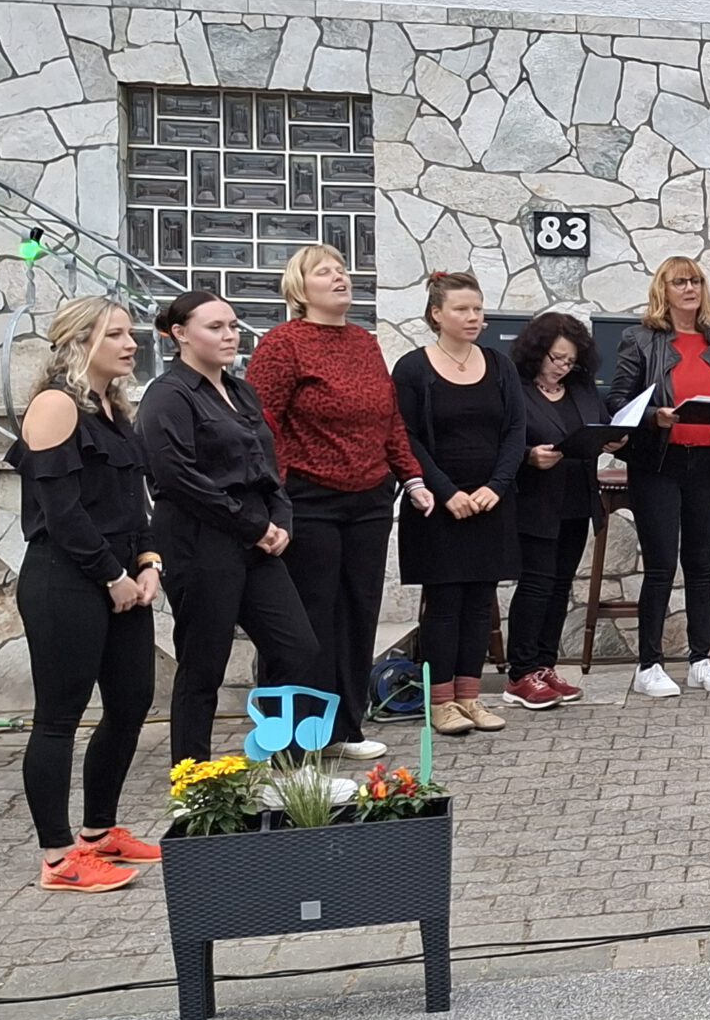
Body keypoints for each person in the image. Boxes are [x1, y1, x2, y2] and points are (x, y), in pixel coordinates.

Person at [246, 245, 434, 760]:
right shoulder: (283, 344)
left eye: (342, 270)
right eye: (324, 272)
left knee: (357, 612)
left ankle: (344, 728)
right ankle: (293, 736)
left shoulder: (364, 343)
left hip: (369, 498)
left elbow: (389, 419)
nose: (339, 278)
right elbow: (261, 424)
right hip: (308, 498)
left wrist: (412, 477)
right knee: (308, 619)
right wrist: (274, 492)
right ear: (299, 288)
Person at [137, 290, 327, 766]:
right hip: (200, 540)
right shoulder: (168, 394)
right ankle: (193, 778)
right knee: (204, 664)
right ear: (180, 334)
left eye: (234, 325)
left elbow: (267, 464)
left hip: (256, 539)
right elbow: (176, 477)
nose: (230, 335)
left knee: (297, 648)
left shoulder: (241, 391)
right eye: (215, 327)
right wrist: (252, 525)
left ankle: (288, 760)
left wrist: (280, 519)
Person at [12, 298, 162, 893]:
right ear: (80, 342)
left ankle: (99, 831)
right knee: (59, 717)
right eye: (116, 335)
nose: (131, 344)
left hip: (121, 575)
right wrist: (111, 575)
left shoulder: (114, 408)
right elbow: (62, 512)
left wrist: (148, 564)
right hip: (65, 578)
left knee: (131, 701)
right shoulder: (55, 405)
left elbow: (135, 503)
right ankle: (58, 857)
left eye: (130, 333)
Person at [393, 273, 525, 736]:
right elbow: (405, 436)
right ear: (436, 314)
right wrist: (447, 491)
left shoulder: (500, 365)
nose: (473, 318)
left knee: (479, 603)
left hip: (490, 502)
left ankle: (470, 697)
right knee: (445, 605)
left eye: (478, 309)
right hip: (437, 504)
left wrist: (498, 486)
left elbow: (515, 430)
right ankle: (441, 701)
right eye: (462, 309)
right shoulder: (413, 368)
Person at [610, 256, 710, 697]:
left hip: (707, 463)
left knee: (701, 565)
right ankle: (649, 665)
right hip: (658, 464)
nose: (690, 288)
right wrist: (655, 416)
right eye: (679, 281)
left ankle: (700, 660)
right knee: (661, 564)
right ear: (662, 290)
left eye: (696, 281)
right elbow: (618, 401)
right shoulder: (640, 340)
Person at [502, 311, 610, 710]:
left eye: (571, 360)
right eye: (557, 358)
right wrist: (529, 456)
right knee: (536, 584)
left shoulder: (581, 386)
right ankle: (520, 673)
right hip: (534, 499)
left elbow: (601, 422)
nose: (563, 367)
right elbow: (501, 440)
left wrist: (613, 437)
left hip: (577, 497)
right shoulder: (514, 386)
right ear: (537, 352)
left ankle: (545, 666)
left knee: (561, 584)